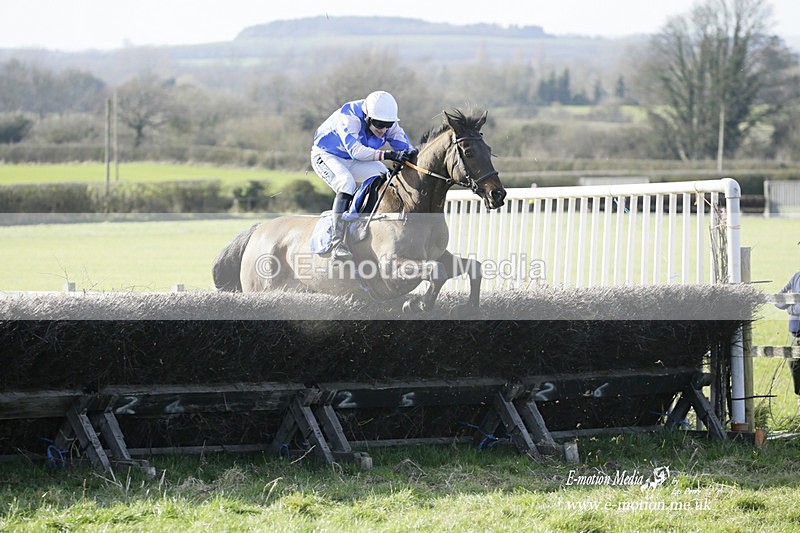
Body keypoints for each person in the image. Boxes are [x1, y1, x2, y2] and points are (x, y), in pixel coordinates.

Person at [311, 90, 417, 260]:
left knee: (383, 174)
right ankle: (337, 242)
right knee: (346, 183)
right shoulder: (349, 116)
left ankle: (362, 222)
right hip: (327, 156)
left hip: (353, 158)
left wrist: (413, 155)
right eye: (379, 124)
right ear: (367, 117)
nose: (383, 129)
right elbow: (357, 152)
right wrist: (388, 155)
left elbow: (406, 147)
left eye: (387, 125)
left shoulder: (387, 122)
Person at [775, 269, 800, 409]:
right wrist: (792, 303)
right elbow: (778, 299)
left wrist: (791, 308)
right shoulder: (797, 276)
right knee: (794, 365)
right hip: (797, 335)